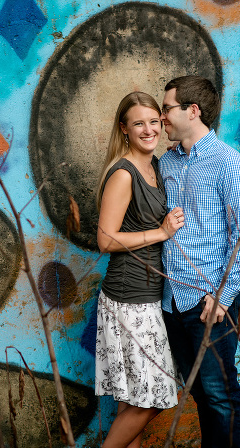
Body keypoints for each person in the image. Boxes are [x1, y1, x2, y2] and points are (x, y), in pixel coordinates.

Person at [157, 76, 240, 448]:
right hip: (172, 300)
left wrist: (224, 295)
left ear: (192, 111)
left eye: (167, 108)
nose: (162, 116)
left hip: (208, 301)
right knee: (202, 396)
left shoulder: (227, 162)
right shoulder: (166, 163)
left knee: (220, 396)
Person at [94, 91, 185, 448]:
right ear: (124, 129)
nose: (148, 130)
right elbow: (105, 240)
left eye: (153, 121)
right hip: (129, 299)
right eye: (138, 123)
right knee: (157, 396)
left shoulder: (158, 166)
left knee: (132, 403)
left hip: (150, 295)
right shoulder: (123, 174)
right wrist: (160, 233)